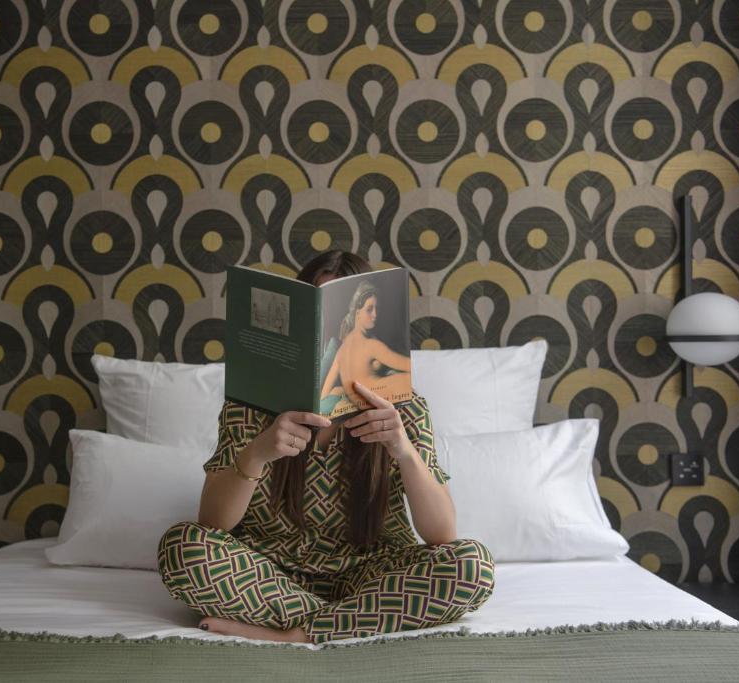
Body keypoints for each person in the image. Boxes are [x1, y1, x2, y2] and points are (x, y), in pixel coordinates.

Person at [156, 250, 495, 644]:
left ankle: (293, 634)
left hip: (371, 574)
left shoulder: (403, 408)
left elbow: (443, 534)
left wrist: (403, 450)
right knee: (183, 549)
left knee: (472, 566)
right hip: (270, 574)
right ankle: (347, 624)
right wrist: (259, 453)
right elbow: (213, 523)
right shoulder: (248, 405)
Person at [319, 279, 412, 417]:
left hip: (351, 404)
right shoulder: (371, 346)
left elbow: (323, 398)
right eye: (369, 309)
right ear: (357, 312)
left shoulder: (342, 349)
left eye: (377, 309)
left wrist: (341, 390)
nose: (375, 314)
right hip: (378, 404)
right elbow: (408, 366)